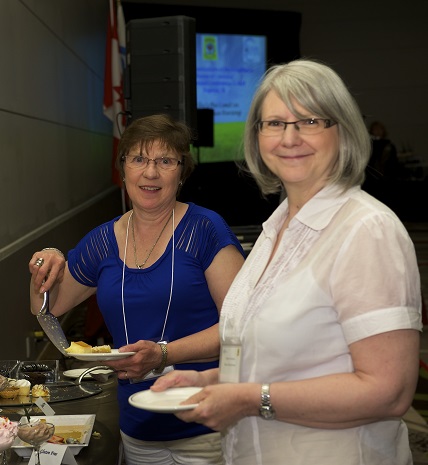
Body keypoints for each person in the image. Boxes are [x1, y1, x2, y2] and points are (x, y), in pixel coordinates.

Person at [152, 59, 423, 465]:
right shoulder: (276, 229)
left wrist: (249, 399)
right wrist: (207, 380)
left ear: (343, 130)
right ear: (257, 135)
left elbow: (389, 392)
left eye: (309, 121)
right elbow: (282, 361)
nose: (289, 138)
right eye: (275, 123)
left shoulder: (367, 230)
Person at [28, 114, 245, 464]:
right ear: (123, 168)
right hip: (137, 427)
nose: (151, 173)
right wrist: (44, 263)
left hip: (207, 425)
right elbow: (46, 307)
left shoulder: (206, 230)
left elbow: (241, 327)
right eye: (139, 159)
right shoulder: (102, 240)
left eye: (165, 161)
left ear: (182, 172)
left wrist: (163, 354)